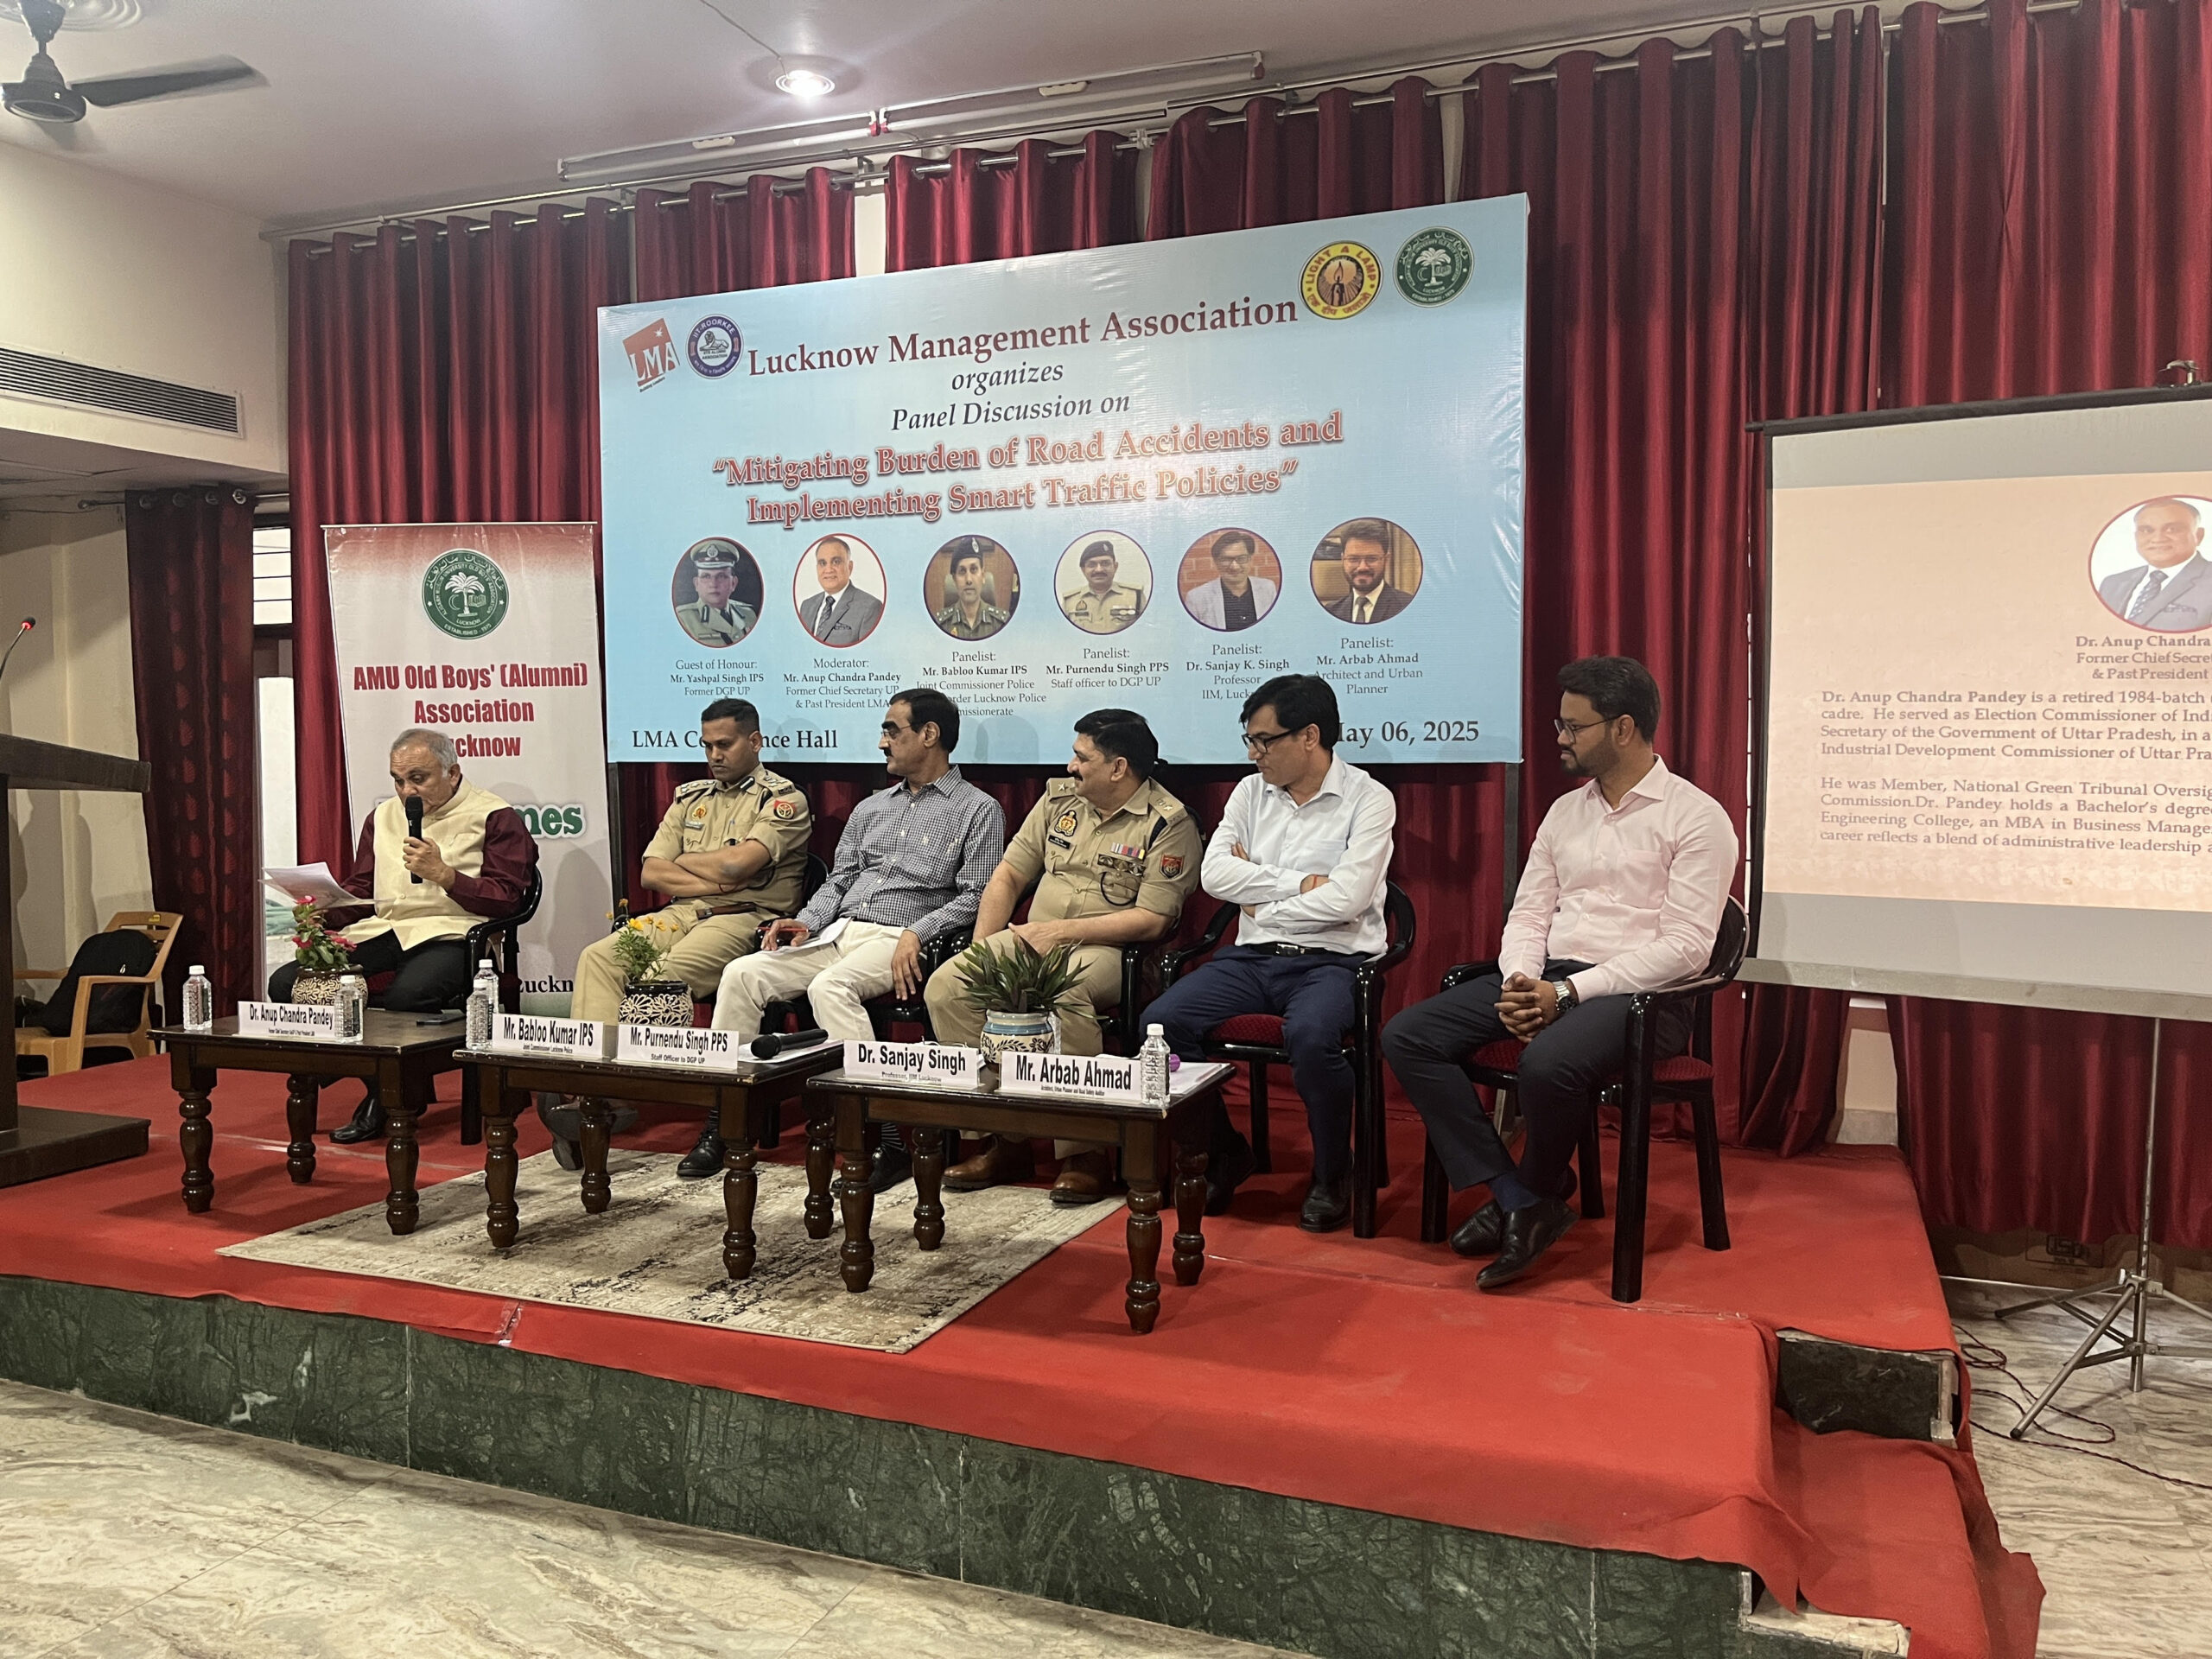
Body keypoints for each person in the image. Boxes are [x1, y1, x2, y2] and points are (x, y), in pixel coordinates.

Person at [1382, 656, 1736, 1291]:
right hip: (1550, 979)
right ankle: (1519, 1196)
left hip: (1642, 998)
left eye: (1574, 727)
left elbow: (1687, 949)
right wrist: (1521, 981)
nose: (1560, 739)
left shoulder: (1696, 817)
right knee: (1408, 1035)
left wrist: (1569, 993)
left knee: (1546, 1062)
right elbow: (1529, 912)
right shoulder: (1565, 812)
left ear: (1622, 728)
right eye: (1559, 725)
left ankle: (1533, 1190)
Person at [711, 688, 1002, 1188]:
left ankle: (883, 1139)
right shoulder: (871, 807)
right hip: (840, 930)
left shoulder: (978, 809)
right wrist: (806, 921)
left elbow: (977, 895)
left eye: (892, 730)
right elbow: (840, 879)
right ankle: (725, 1122)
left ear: (929, 735)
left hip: (902, 937)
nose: (882, 742)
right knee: (742, 973)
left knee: (831, 988)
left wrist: (919, 932)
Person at [1139, 674, 1395, 1232]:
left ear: (1310, 736)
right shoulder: (1250, 793)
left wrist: (1261, 897)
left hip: (1334, 961)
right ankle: (1224, 1152)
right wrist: (1300, 885)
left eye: (1265, 740)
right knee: (1161, 1024)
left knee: (1312, 1036)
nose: (1254, 753)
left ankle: (1334, 1172)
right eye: (1249, 741)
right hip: (1252, 959)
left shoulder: (1369, 799)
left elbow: (1350, 899)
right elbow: (1215, 876)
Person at [925, 710, 1203, 1203]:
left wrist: (1059, 932)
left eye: (1082, 757)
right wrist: (982, 947)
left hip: (1109, 951)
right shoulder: (1058, 800)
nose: (1071, 766)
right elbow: (1009, 875)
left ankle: (1084, 1151)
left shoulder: (1168, 821)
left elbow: (1153, 920)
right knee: (949, 986)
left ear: (1118, 768)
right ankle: (1003, 1139)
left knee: (1061, 994)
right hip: (1034, 938)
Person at [549, 698, 812, 1177]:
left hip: (745, 918)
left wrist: (696, 865)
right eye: (707, 745)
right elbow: (651, 873)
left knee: (661, 977)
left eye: (724, 744)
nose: (714, 755)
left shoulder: (783, 801)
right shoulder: (690, 798)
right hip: (681, 912)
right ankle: (599, 1091)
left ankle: (630, 1092)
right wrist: (719, 877)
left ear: (755, 741)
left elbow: (739, 866)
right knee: (599, 958)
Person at [271, 728, 537, 1144]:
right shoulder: (382, 817)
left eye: (418, 779)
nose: (406, 791)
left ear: (453, 773)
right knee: (289, 982)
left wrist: (447, 876)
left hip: (456, 933)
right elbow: (364, 889)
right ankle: (373, 1079)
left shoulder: (494, 816)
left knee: (406, 997)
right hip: (386, 928)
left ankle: (389, 1097)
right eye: (398, 780)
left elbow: (508, 898)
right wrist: (325, 907)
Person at [2097, 498, 2212, 632]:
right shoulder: (2112, 584)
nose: (2158, 539)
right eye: (2147, 530)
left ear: (2199, 535)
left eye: (2172, 529)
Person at [1321, 520, 1414, 624]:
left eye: (1371, 559)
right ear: (1343, 560)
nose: (1362, 567)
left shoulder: (1409, 608)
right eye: (1353, 559)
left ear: (1386, 560)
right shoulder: (1332, 611)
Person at [1183, 530, 1277, 631]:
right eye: (1226, 559)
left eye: (1241, 558)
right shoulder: (1197, 598)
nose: (1234, 567)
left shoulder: (1268, 588)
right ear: (1216, 563)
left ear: (1250, 560)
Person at [799, 535, 885, 645]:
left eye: (836, 562)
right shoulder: (806, 606)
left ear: (850, 567)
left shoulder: (870, 607)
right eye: (823, 563)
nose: (828, 570)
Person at [674, 541, 758, 646]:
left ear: (733, 583)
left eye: (721, 576)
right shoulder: (684, 618)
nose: (713, 584)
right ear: (696, 584)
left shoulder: (748, 614)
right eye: (706, 576)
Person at [932, 538, 1013, 640]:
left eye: (973, 569)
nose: (969, 580)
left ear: (983, 576)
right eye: (962, 571)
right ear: (954, 579)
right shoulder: (940, 625)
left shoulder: (1002, 623)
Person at [1059, 540, 1145, 634]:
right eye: (1092, 565)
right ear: (1083, 570)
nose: (1099, 570)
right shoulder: (1070, 601)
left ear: (1115, 567)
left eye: (1105, 563)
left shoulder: (1136, 596)